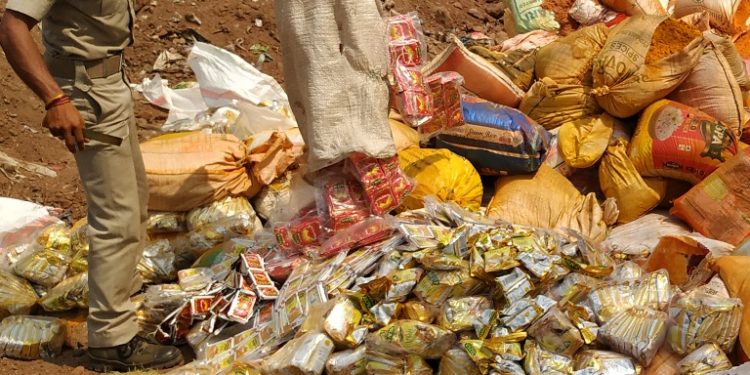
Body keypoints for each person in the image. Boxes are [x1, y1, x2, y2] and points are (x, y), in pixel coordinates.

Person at [0, 1, 182, 371]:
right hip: (83, 92)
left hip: (111, 83)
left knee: (135, 200)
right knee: (116, 214)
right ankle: (112, 341)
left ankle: (120, 307)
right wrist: (55, 99)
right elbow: (11, 26)